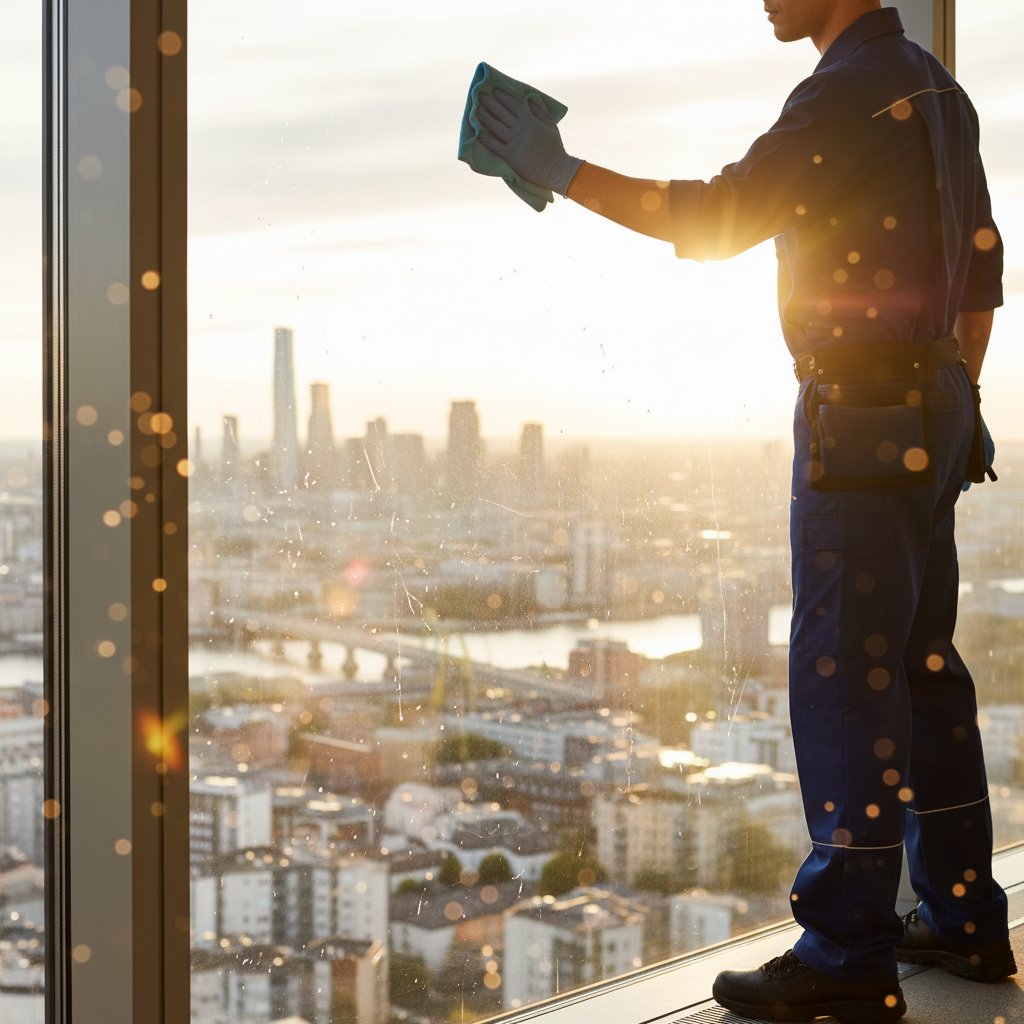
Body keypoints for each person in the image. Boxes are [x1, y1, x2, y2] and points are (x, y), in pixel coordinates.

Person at [475, 2, 1014, 1021]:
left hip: (860, 413)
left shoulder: (847, 90)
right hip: (931, 402)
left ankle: (847, 952)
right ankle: (961, 917)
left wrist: (560, 170)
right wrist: (962, 399)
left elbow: (718, 218)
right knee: (921, 667)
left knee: (845, 678)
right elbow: (979, 277)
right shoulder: (939, 91)